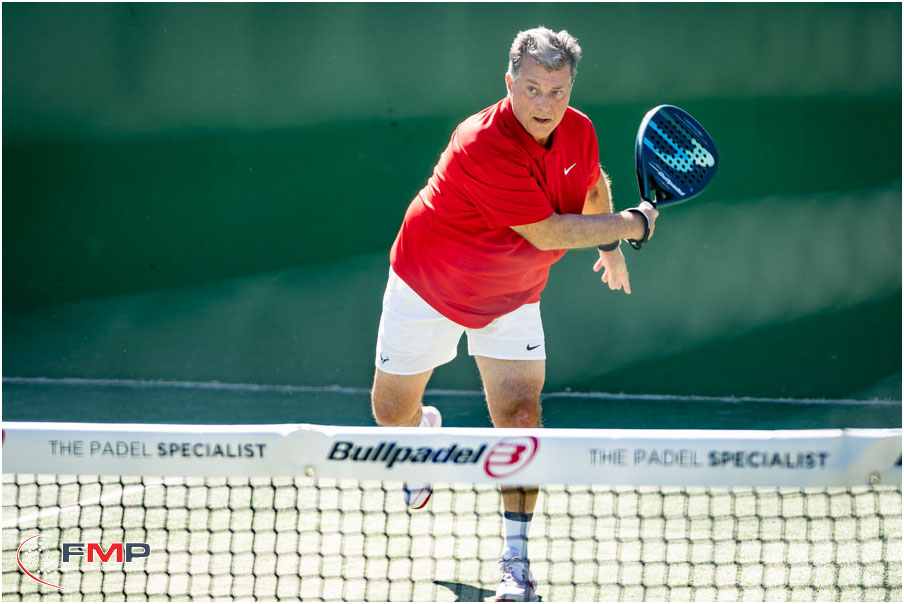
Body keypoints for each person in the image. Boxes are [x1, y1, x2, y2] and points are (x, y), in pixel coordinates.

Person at [371, 26, 659, 602]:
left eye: (558, 91)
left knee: (522, 417)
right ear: (509, 83)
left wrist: (609, 247)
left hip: (513, 294)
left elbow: (591, 187)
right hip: (428, 283)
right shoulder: (481, 142)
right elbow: (547, 230)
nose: (545, 104)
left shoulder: (578, 130)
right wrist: (634, 225)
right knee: (390, 413)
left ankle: (516, 561)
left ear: (570, 88)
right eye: (532, 89)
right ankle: (421, 439)